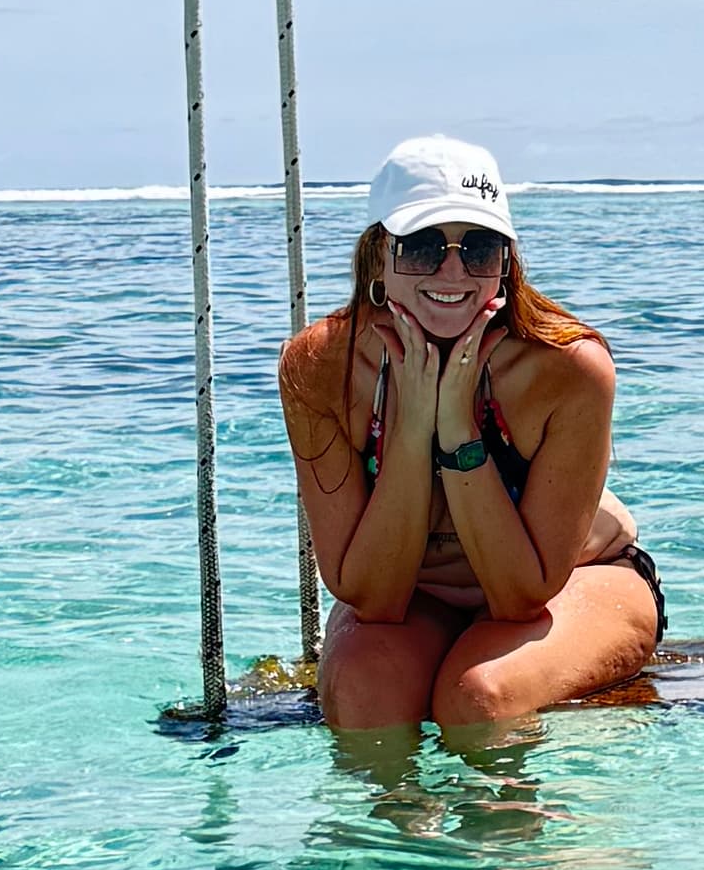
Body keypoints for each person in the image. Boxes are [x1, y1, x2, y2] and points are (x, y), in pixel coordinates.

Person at [280, 136, 665, 736]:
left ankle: (526, 826)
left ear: (506, 261)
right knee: (362, 695)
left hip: (579, 583)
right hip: (414, 600)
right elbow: (373, 598)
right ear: (378, 255)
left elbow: (519, 598)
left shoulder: (565, 366)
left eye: (479, 247)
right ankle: (389, 834)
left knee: (479, 696)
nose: (453, 272)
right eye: (424, 246)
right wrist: (410, 426)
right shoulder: (322, 366)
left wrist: (458, 424)